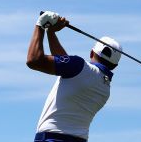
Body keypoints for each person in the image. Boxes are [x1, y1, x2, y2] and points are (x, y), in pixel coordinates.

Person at [26, 11, 122, 142]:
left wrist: (41, 25)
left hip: (52, 139)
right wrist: (51, 33)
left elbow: (34, 60)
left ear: (91, 52)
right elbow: (66, 65)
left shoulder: (79, 67)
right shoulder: (105, 87)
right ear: (114, 66)